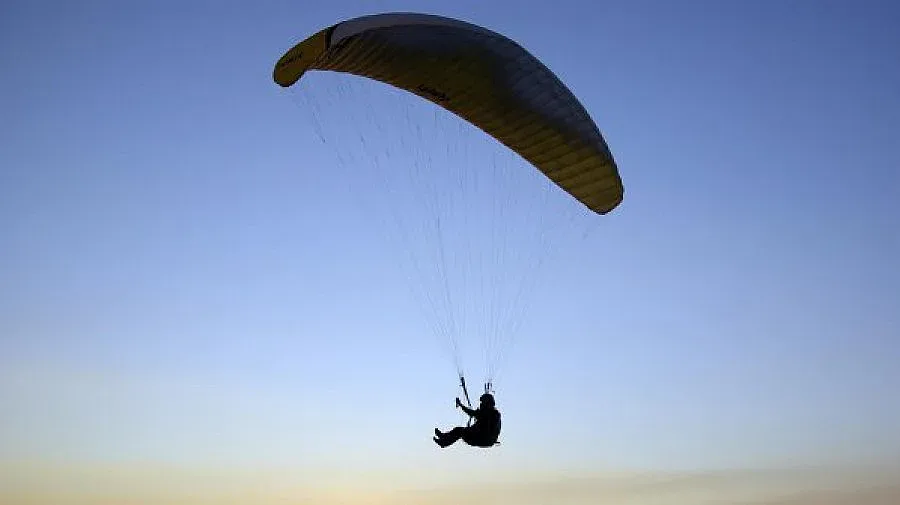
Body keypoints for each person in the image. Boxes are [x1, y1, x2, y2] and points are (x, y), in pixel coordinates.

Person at [433, 393, 501, 448]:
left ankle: (443, 442)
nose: (481, 404)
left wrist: (461, 405)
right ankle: (443, 437)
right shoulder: (491, 412)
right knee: (458, 430)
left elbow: (472, 413)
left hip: (483, 439)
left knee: (459, 431)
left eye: (482, 402)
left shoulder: (490, 413)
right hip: (484, 438)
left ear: (487, 403)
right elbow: (474, 414)